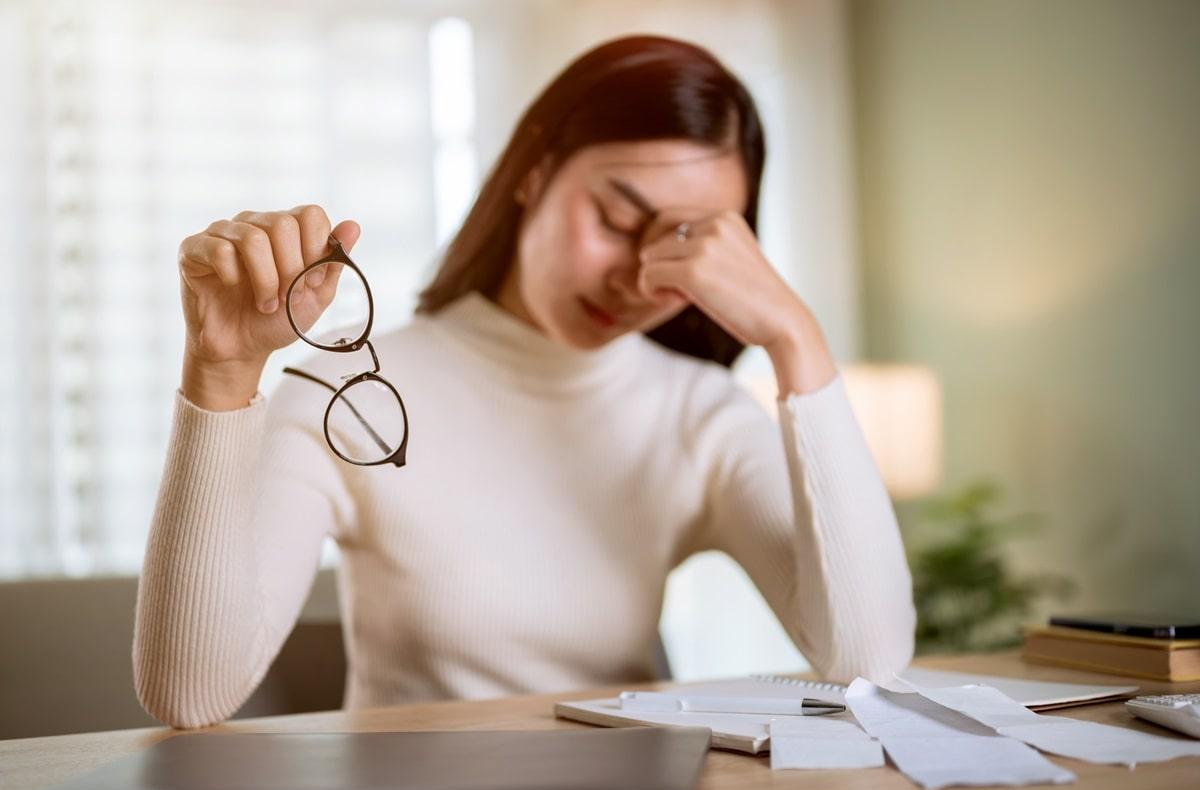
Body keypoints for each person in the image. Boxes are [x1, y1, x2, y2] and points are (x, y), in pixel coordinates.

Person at [134, 35, 915, 729]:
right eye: (616, 218)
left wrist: (798, 342)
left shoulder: (696, 412)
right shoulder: (353, 390)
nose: (640, 277)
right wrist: (223, 369)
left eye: (688, 241)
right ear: (533, 173)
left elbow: (868, 662)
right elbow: (191, 698)